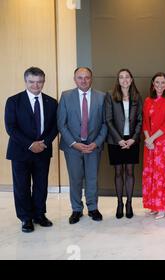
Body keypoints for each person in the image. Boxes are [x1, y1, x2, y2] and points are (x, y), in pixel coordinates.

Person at [4, 67, 58, 233]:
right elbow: (11, 127)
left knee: (41, 185)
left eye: (39, 82)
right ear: (25, 81)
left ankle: (39, 215)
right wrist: (30, 144)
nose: (36, 85)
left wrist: (44, 143)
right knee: (22, 186)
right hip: (20, 151)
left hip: (43, 149)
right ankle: (25, 218)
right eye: (32, 82)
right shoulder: (13, 101)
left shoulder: (51, 102)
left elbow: (55, 126)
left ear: (43, 82)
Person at [57, 67, 107, 224]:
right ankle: (76, 210)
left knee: (92, 179)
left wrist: (96, 143)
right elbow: (61, 123)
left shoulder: (102, 97)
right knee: (75, 179)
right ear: (74, 79)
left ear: (91, 78)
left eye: (86, 77)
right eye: (80, 77)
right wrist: (74, 143)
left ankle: (93, 208)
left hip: (93, 146)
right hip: (72, 146)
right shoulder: (66, 96)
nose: (83, 80)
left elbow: (105, 124)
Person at [105, 69, 143, 219]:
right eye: (121, 77)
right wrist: (119, 139)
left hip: (132, 139)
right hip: (116, 140)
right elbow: (108, 119)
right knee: (118, 172)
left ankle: (129, 203)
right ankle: (119, 203)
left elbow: (140, 120)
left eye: (127, 77)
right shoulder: (110, 96)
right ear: (118, 80)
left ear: (131, 79)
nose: (124, 79)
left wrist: (134, 138)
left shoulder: (136, 97)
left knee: (129, 172)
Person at [142, 72, 165, 220]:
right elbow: (145, 121)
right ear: (153, 84)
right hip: (150, 144)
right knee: (151, 174)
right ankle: (153, 204)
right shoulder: (148, 100)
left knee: (163, 176)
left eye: (163, 83)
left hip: (164, 145)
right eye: (157, 82)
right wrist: (147, 139)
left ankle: (163, 206)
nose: (160, 85)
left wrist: (152, 138)